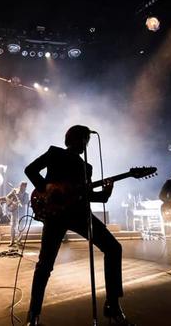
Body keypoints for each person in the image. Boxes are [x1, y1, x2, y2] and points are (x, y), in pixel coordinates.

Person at [24, 125, 133, 326]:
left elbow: (89, 196)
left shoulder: (87, 167)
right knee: (45, 264)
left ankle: (113, 305)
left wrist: (107, 193)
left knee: (113, 248)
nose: (85, 144)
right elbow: (30, 170)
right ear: (72, 139)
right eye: (83, 139)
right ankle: (33, 315)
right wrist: (47, 188)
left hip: (79, 214)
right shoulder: (54, 153)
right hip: (55, 214)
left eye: (86, 140)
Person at [6, 181, 30, 246]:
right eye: (21, 186)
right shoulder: (14, 191)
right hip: (14, 210)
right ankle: (12, 241)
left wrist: (21, 203)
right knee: (13, 226)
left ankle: (19, 240)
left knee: (21, 226)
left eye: (24, 187)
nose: (22, 188)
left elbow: (26, 202)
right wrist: (12, 203)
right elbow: (7, 197)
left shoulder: (26, 194)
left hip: (22, 212)